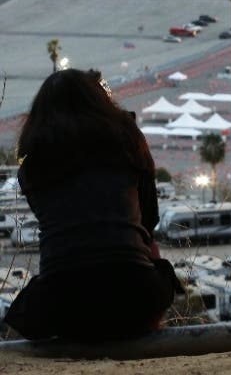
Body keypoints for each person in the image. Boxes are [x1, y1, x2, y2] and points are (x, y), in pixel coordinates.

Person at [4, 69, 180, 342]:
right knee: (155, 264)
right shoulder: (128, 143)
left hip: (61, 303)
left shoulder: (31, 169)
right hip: (135, 294)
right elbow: (149, 219)